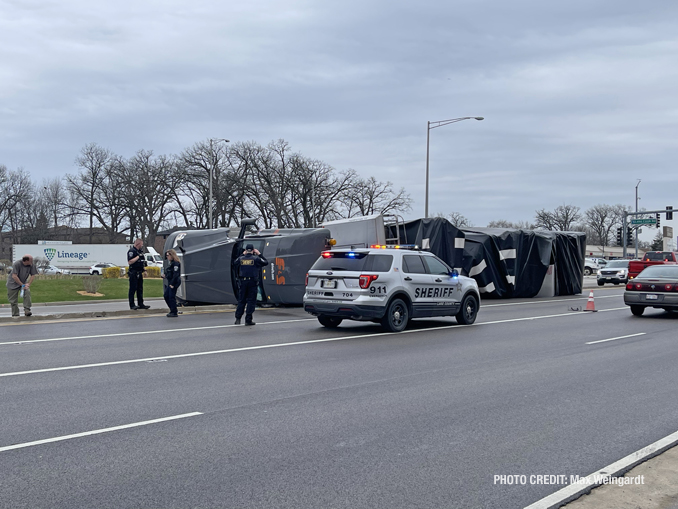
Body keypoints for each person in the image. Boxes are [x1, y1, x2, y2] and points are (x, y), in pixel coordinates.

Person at [233, 244, 268, 325]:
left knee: (242, 300)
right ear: (253, 250)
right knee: (251, 301)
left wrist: (242, 254)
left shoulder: (241, 258)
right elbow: (265, 262)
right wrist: (259, 254)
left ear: (246, 250)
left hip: (243, 282)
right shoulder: (256, 259)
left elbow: (234, 263)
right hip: (252, 282)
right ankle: (248, 320)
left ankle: (238, 318)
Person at [127, 238, 150, 310]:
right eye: (141, 244)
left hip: (140, 272)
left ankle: (141, 304)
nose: (142, 245)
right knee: (133, 289)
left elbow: (142, 262)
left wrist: (144, 270)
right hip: (133, 272)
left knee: (140, 289)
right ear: (138, 244)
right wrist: (137, 257)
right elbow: (130, 262)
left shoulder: (140, 251)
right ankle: (132, 304)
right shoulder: (132, 251)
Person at [162, 249, 181, 317]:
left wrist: (172, 284)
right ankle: (172, 309)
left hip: (174, 282)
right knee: (166, 296)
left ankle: (174, 311)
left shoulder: (176, 263)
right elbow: (170, 273)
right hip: (170, 282)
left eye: (168, 255)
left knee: (171, 296)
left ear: (171, 255)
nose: (167, 257)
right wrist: (165, 276)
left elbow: (176, 275)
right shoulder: (171, 264)